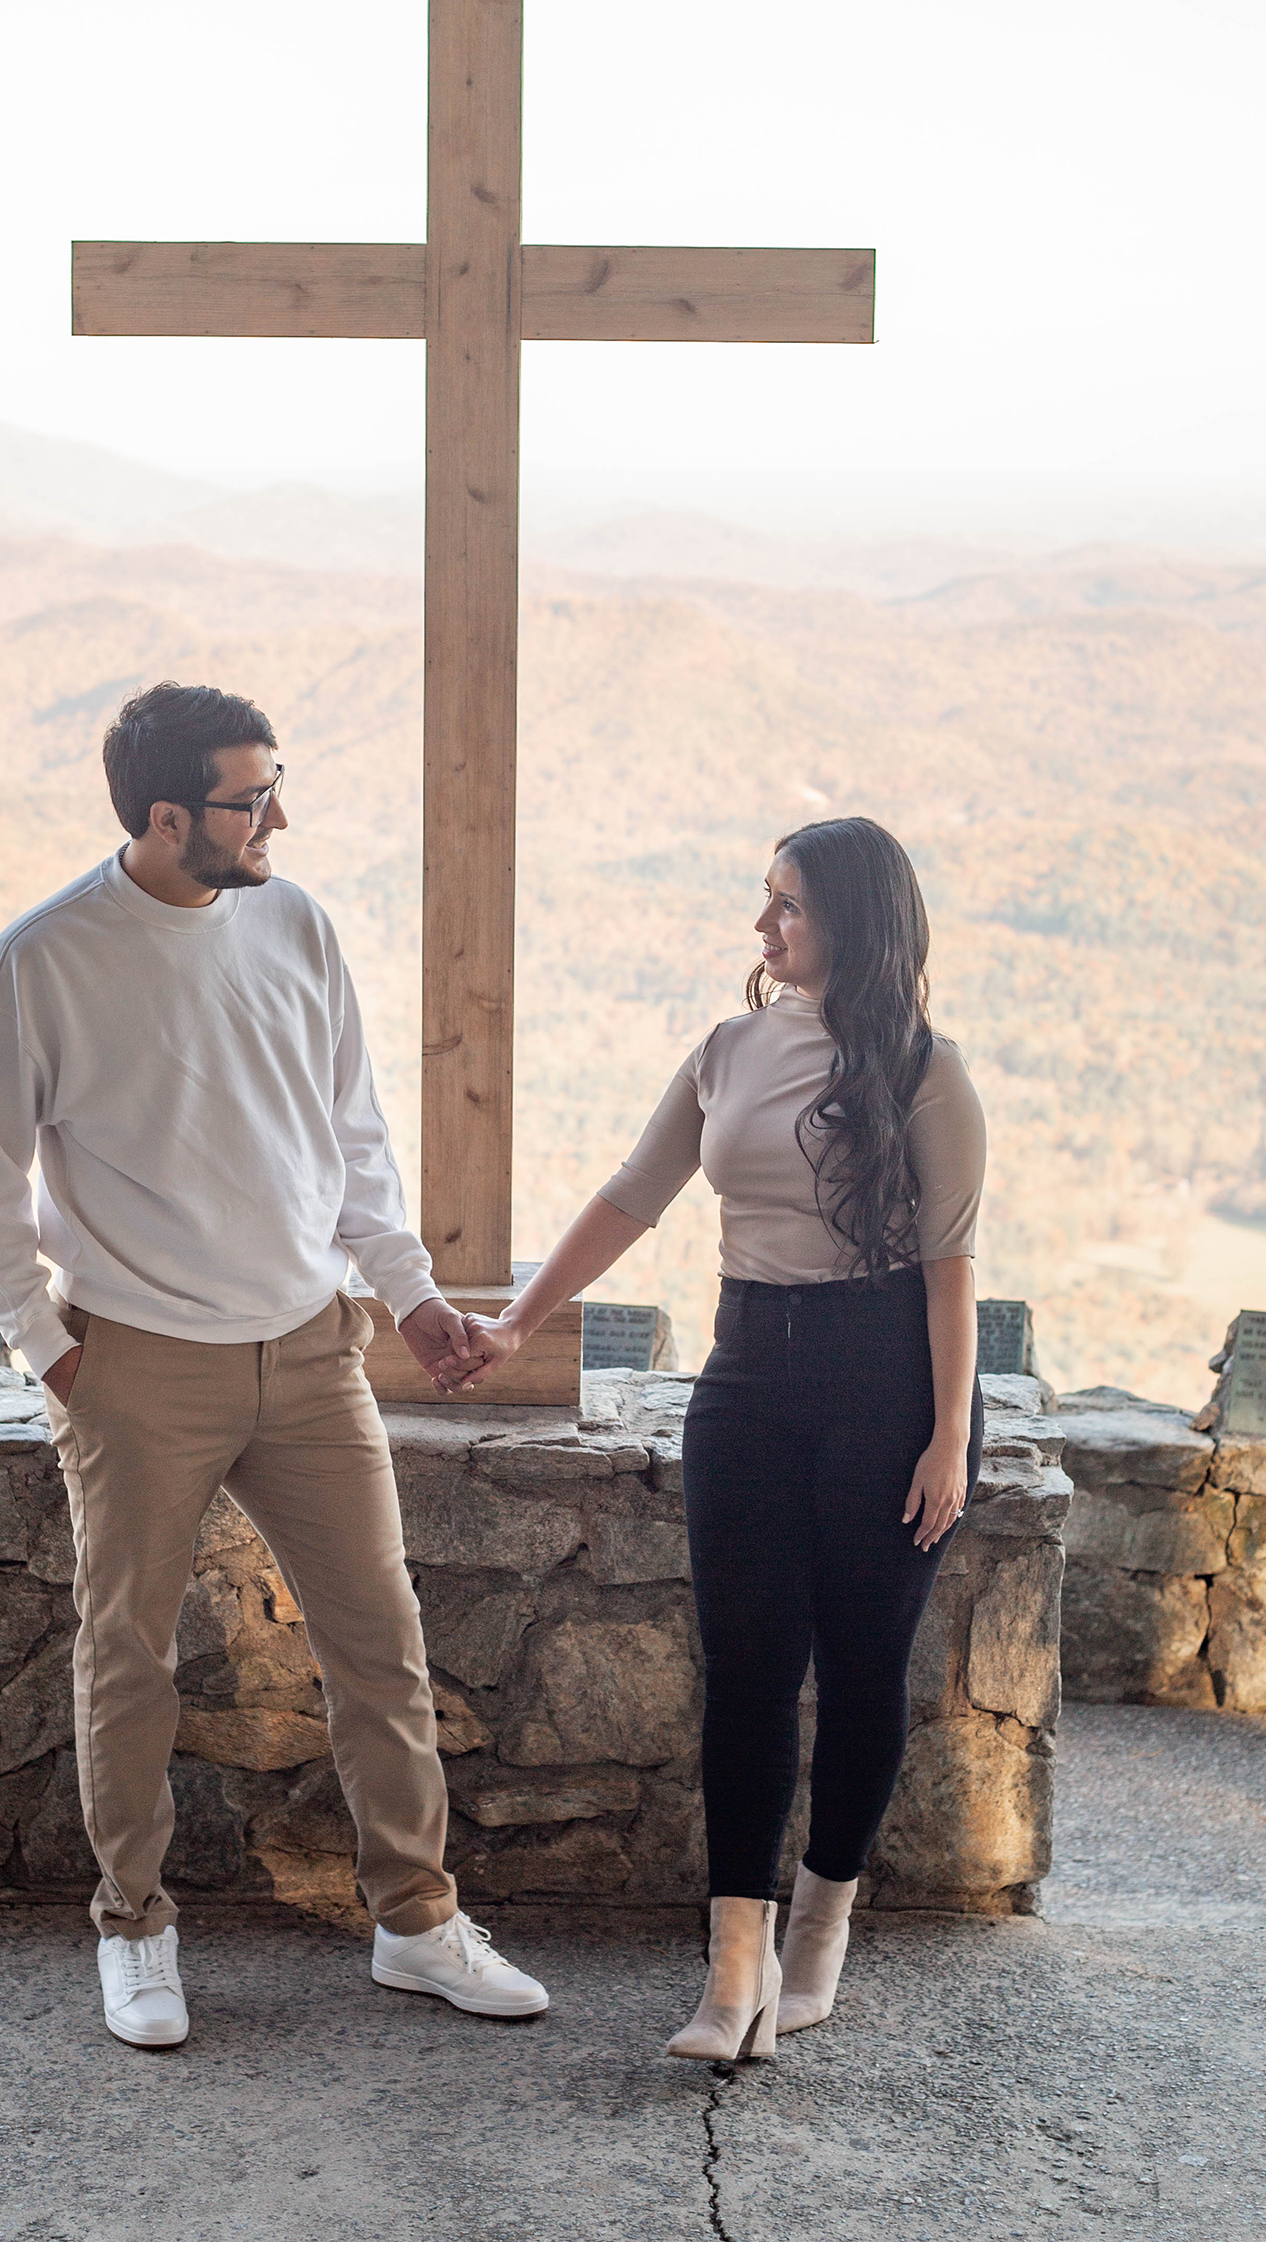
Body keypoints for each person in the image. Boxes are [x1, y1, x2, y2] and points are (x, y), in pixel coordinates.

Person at [0, 681, 547, 2048]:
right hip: (138, 1367)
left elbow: (353, 1138)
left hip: (313, 1353)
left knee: (381, 1646)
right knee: (128, 1659)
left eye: (277, 781)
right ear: (167, 817)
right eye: (250, 795)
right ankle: (136, 1930)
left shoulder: (297, 922)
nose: (281, 813)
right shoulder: (41, 961)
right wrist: (54, 1356)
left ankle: (416, 1923)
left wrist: (406, 1297)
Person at [456, 815, 985, 2061]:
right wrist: (515, 1320)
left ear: (849, 921)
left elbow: (953, 1270)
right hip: (746, 1382)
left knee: (861, 1670)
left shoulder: (925, 1073)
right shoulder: (729, 1050)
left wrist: (949, 1439)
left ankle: (820, 1930)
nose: (762, 928)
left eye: (786, 906)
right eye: (766, 902)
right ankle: (729, 1972)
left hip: (886, 1389)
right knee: (746, 1670)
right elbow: (632, 1196)